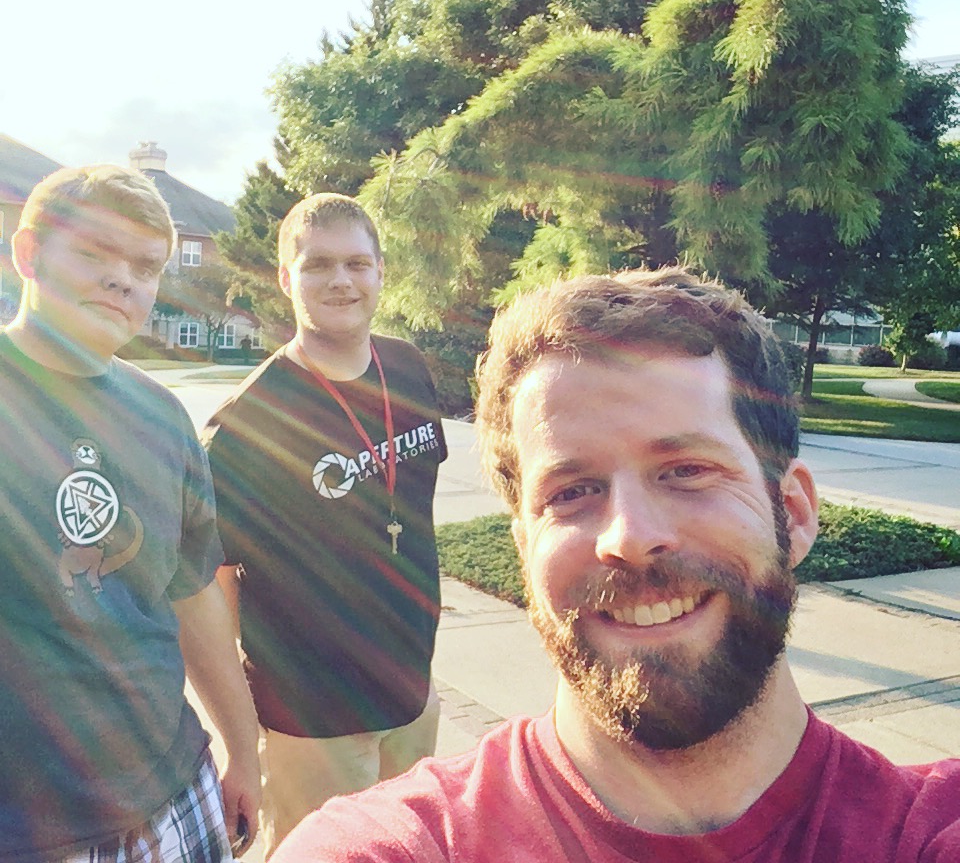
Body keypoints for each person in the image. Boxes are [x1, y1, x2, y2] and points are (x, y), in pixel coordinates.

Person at [272, 267, 960, 862]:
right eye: (572, 492)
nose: (629, 537)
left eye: (686, 470)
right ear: (524, 546)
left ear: (796, 513)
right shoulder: (402, 844)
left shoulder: (927, 831)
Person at [0, 165, 261, 861]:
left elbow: (195, 593)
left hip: (175, 788)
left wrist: (243, 751)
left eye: (145, 267)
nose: (124, 279)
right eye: (94, 253)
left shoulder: (162, 415)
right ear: (29, 254)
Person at [202, 193, 448, 856]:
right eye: (318, 266)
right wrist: (241, 744)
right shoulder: (247, 424)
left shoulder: (408, 368)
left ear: (380, 272)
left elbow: (411, 517)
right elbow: (213, 591)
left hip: (413, 694)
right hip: (311, 720)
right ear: (286, 278)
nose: (341, 280)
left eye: (357, 263)